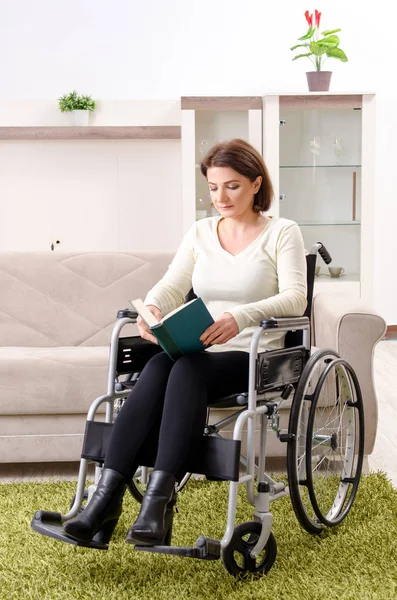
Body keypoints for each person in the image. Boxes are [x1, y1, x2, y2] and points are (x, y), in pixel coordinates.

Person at [63, 138, 307, 547]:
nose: (220, 197)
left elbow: (296, 296)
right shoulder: (200, 233)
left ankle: (156, 503)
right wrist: (152, 309)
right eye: (213, 188)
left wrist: (238, 317)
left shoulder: (282, 232)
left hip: (254, 353)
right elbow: (172, 285)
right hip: (199, 351)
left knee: (185, 367)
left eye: (231, 186)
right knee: (158, 365)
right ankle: (105, 500)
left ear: (255, 184)